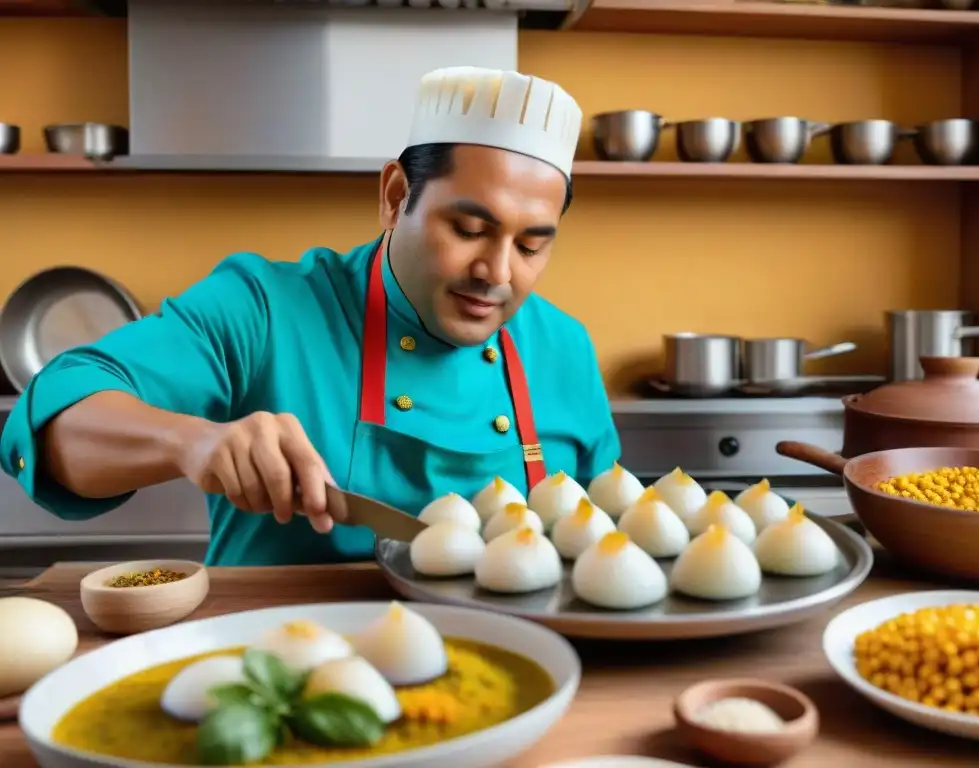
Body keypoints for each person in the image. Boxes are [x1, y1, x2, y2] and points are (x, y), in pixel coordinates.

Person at [0, 66, 620, 566]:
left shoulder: (563, 347)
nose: (498, 273)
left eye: (532, 246)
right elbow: (54, 409)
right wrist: (194, 441)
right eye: (468, 229)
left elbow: (606, 546)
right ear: (396, 196)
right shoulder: (264, 308)